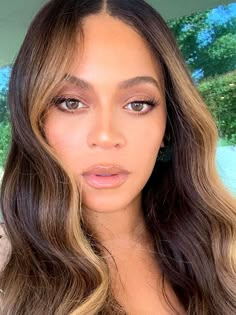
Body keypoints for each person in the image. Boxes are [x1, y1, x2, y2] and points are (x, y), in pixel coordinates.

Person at [0, 0, 235, 314]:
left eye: (137, 104)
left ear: (170, 123)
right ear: (34, 118)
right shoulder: (9, 276)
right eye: (71, 102)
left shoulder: (224, 243)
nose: (106, 136)